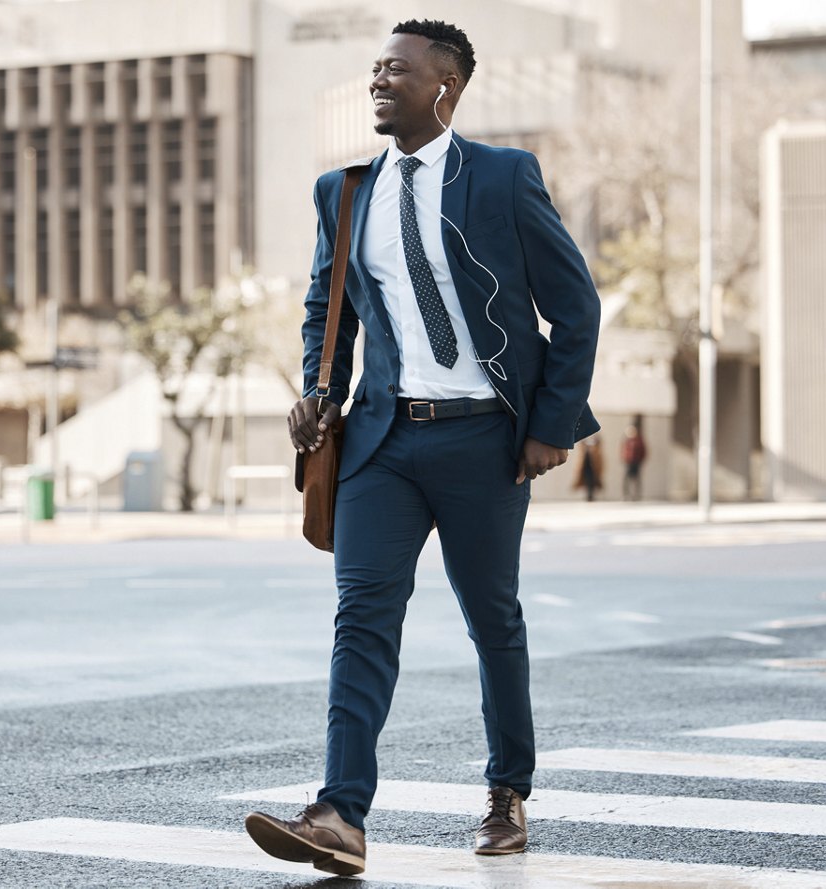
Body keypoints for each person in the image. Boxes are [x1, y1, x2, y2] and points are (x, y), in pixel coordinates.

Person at [244, 19, 601, 877]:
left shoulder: (505, 178)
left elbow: (575, 305)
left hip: (485, 441)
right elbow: (325, 308)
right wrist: (317, 391)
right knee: (362, 619)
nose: (378, 79)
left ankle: (507, 791)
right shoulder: (344, 190)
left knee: (493, 620)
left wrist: (553, 423)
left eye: (396, 70)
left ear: (445, 86)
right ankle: (341, 813)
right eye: (374, 67)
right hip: (382, 441)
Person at [572, 434, 603, 502]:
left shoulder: (596, 443)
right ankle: (588, 495)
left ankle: (590, 495)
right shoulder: (584, 443)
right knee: (586, 480)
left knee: (592, 481)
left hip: (593, 466)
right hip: (585, 465)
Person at [621, 422, 647, 501]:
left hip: (636, 462)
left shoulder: (639, 441)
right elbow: (623, 450)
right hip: (628, 462)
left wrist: (640, 460)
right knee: (626, 479)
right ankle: (626, 495)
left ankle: (636, 495)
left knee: (636, 479)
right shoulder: (626, 441)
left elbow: (644, 451)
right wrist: (625, 458)